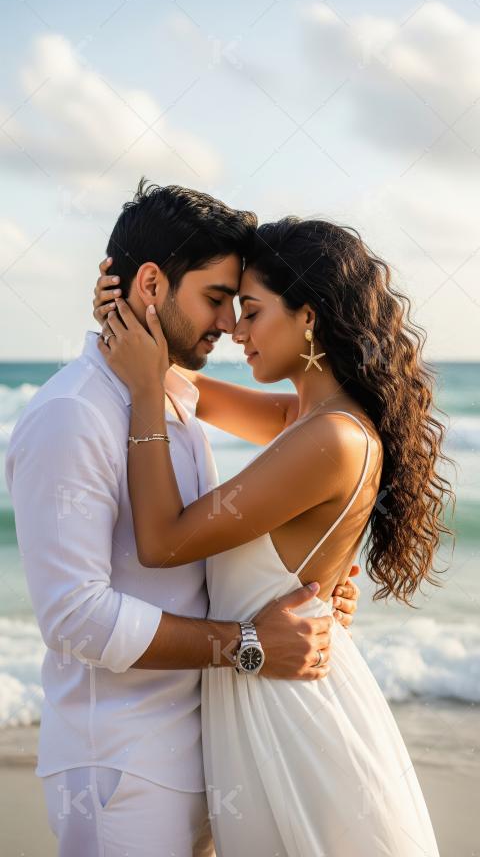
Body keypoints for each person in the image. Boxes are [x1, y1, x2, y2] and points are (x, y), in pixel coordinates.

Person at [5, 183, 359, 857]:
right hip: (118, 761)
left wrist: (315, 581)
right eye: (217, 299)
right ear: (150, 283)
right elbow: (75, 616)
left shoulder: (166, 400)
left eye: (239, 305)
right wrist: (249, 642)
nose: (230, 325)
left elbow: (295, 434)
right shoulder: (71, 415)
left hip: (201, 743)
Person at [97, 213, 454, 856]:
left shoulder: (330, 437)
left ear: (308, 318)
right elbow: (188, 388)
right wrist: (125, 315)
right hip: (269, 693)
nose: (234, 329)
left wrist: (146, 394)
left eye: (252, 312)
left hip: (289, 718)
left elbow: (161, 541)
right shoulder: (308, 416)